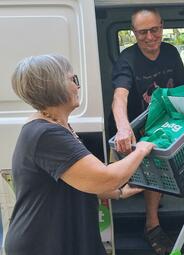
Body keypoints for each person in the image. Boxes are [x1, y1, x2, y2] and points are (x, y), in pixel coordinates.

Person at [4, 54, 155, 255]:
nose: (78, 87)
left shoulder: (55, 126)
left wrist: (119, 193)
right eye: (73, 80)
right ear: (55, 86)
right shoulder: (47, 134)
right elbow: (105, 178)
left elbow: (81, 181)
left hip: (60, 239)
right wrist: (143, 148)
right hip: (43, 243)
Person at [110, 7, 184, 255]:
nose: (149, 37)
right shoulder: (127, 60)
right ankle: (152, 225)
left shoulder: (171, 52)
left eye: (154, 30)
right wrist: (123, 127)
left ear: (162, 26)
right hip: (136, 126)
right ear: (133, 33)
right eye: (142, 33)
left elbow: (182, 83)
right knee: (153, 164)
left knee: (162, 164)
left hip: (164, 119)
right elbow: (120, 97)